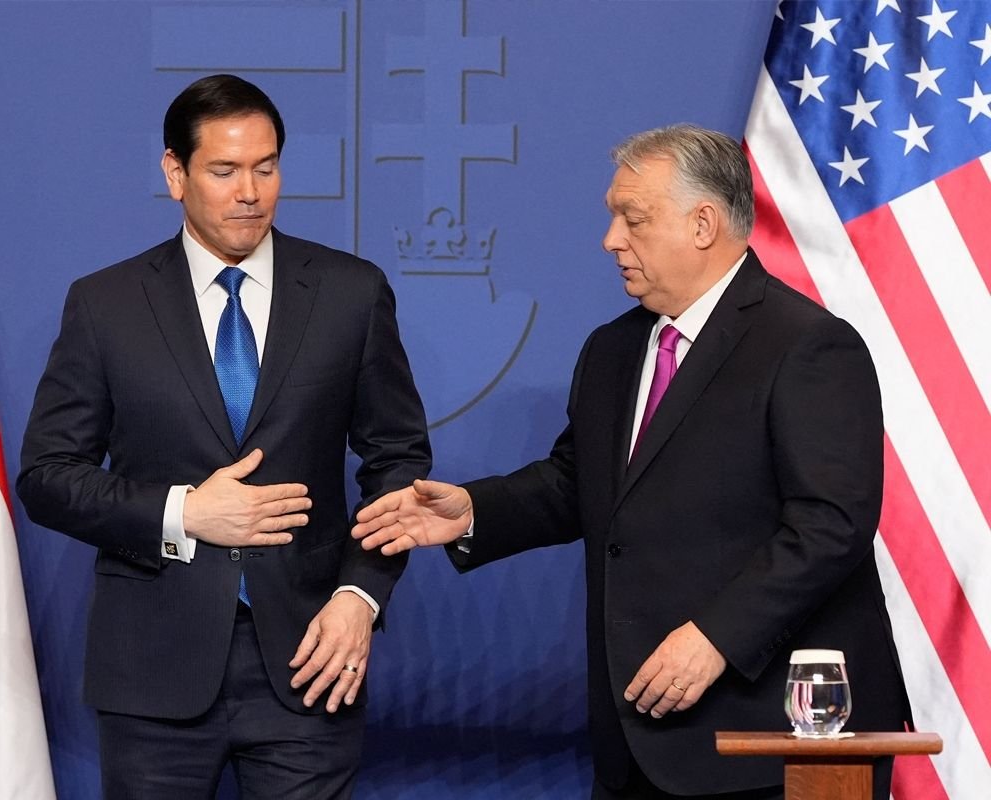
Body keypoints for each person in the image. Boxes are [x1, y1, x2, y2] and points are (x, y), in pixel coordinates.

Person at [351, 125, 910, 799]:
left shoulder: (807, 345)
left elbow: (831, 525)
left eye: (633, 219)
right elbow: (580, 482)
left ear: (703, 224)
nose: (610, 240)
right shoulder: (613, 349)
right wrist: (473, 512)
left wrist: (716, 638)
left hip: (773, 737)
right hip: (636, 735)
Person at [17, 74, 430, 800]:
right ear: (175, 173)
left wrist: (360, 597)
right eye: (224, 170)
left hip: (311, 657)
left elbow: (397, 460)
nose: (250, 193)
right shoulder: (106, 304)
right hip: (154, 669)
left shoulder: (351, 293)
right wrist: (184, 512)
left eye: (266, 169)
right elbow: (48, 476)